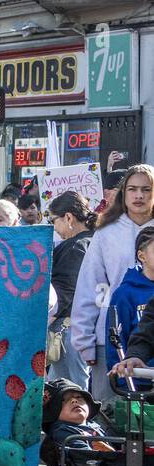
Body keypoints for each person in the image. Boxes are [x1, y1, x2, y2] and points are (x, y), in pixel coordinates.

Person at [72, 164, 154, 408]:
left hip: (152, 330)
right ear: (123, 194)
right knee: (110, 410)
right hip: (111, 334)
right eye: (132, 189)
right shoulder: (106, 232)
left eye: (146, 189)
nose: (139, 196)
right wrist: (84, 339)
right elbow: (90, 284)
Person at [46, 192, 95, 388]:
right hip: (87, 328)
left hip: (69, 330)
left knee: (70, 391)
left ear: (68, 217)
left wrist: (46, 317)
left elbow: (63, 293)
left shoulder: (75, 247)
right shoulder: (95, 240)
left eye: (54, 221)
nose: (54, 228)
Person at [103, 226, 154, 378]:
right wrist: (133, 357)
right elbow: (145, 334)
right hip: (142, 380)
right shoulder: (125, 293)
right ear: (141, 256)